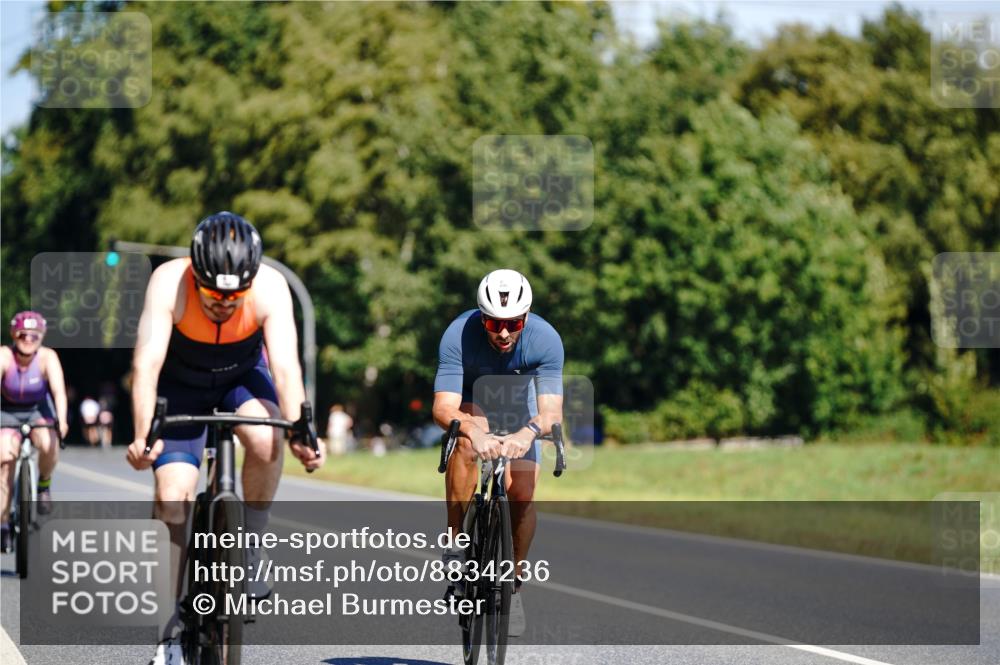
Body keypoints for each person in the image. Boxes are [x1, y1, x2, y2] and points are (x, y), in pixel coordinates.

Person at [125, 212, 325, 665]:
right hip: (179, 385)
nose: (223, 302)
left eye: (235, 294)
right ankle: (167, 632)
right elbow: (146, 365)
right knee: (173, 494)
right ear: (195, 273)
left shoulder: (272, 286)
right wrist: (143, 435)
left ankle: (250, 547)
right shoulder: (167, 282)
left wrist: (302, 432)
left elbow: (287, 369)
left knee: (266, 439)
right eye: (213, 292)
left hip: (241, 377)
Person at [432, 269, 564, 637]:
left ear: (526, 317)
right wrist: (474, 430)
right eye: (493, 322)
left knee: (522, 491)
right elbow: (444, 408)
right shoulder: (457, 334)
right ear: (480, 316)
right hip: (473, 401)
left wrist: (528, 433)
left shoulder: (546, 339)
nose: (503, 332)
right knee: (463, 442)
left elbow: (552, 413)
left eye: (513, 323)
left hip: (520, 408)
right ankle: (457, 548)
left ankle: (514, 584)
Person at [0, 311, 69, 549]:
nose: (28, 339)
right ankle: (4, 522)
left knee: (50, 443)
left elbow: (59, 391)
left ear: (41, 336)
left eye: (34, 334)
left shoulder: (47, 357)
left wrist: (61, 420)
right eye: (22, 334)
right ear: (13, 334)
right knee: (4, 460)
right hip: (6, 411)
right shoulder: (4, 356)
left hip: (38, 410)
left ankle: (43, 485)